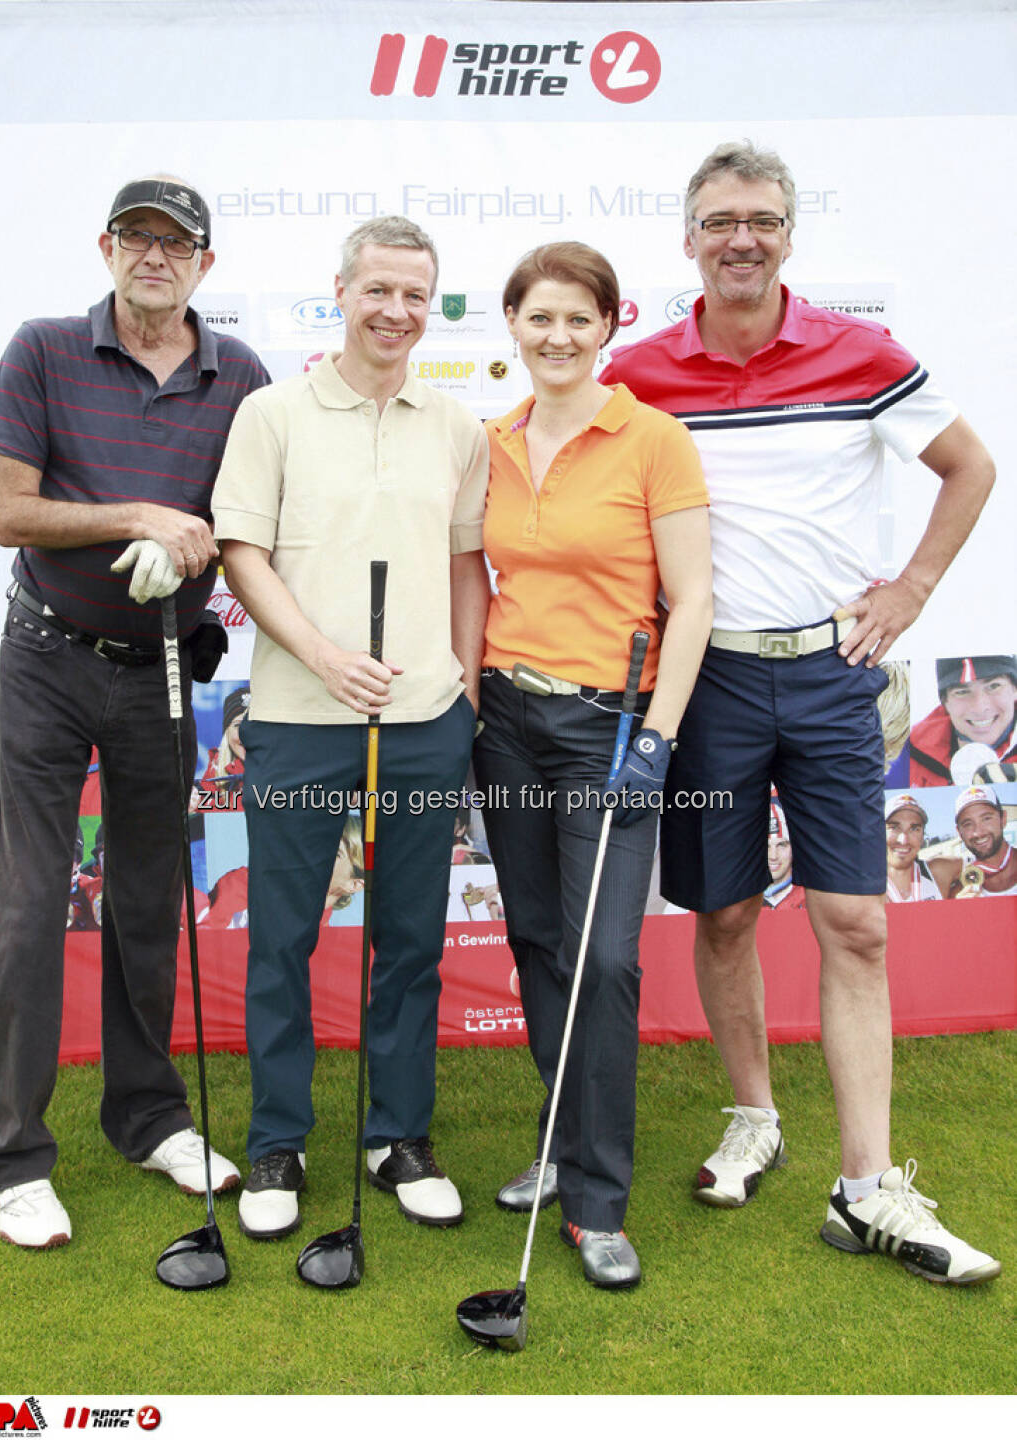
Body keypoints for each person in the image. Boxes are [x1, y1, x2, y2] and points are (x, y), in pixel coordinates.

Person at [602, 141, 1000, 1284]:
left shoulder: (857, 351)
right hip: (709, 679)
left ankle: (866, 1188)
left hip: (831, 679)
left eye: (762, 220)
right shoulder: (639, 370)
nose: (742, 238)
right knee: (723, 915)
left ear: (788, 233)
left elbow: (969, 466)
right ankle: (752, 1114)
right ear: (688, 238)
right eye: (720, 219)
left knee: (857, 924)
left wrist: (912, 589)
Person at [0, 175, 270, 1249]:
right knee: (28, 908)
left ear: (205, 265)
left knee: (149, 902)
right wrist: (139, 514)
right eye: (137, 238)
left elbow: (250, 518)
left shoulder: (238, 374)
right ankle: (11, 1154)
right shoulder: (45, 348)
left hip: (160, 668)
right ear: (106, 248)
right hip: (51, 657)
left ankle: (147, 1118)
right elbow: (9, 514)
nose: (156, 255)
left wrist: (195, 537)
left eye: (176, 242)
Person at [212, 216, 489, 1241]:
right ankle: (277, 1142)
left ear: (433, 306)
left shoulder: (456, 425)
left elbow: (467, 562)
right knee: (283, 939)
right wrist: (324, 656)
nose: (397, 311)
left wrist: (461, 678)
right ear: (341, 291)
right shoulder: (271, 413)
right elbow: (243, 554)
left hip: (423, 718)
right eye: (379, 290)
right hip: (296, 712)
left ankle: (397, 1135)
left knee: (409, 939)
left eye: (416, 295)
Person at [474, 242, 712, 1288]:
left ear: (609, 326)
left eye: (579, 318)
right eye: (540, 318)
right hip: (506, 719)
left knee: (604, 958)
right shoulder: (492, 441)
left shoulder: (653, 439)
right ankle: (560, 1143)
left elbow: (693, 600)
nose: (558, 336)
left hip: (610, 727)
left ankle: (598, 1202)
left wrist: (656, 737)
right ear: (512, 326)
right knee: (534, 937)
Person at [909, 656, 1017, 786]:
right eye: (962, 692)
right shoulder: (907, 758)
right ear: (945, 702)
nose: (980, 708)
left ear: (1014, 689)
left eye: (993, 686)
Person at [928, 785, 1017, 898]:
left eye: (986, 818)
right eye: (968, 824)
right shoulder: (959, 890)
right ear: (959, 833)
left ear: (1003, 819)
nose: (978, 832)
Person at [198, 684, 250, 810]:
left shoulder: (286, 771)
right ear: (227, 732)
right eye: (237, 726)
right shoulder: (212, 777)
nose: (246, 734)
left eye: (254, 724)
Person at [884, 793, 941, 902]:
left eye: (914, 829)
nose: (903, 840)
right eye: (894, 827)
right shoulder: (860, 887)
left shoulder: (938, 878)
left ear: (923, 836)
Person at [762, 800, 806, 911]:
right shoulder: (739, 900)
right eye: (766, 846)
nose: (773, 856)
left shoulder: (811, 900)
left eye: (781, 845)